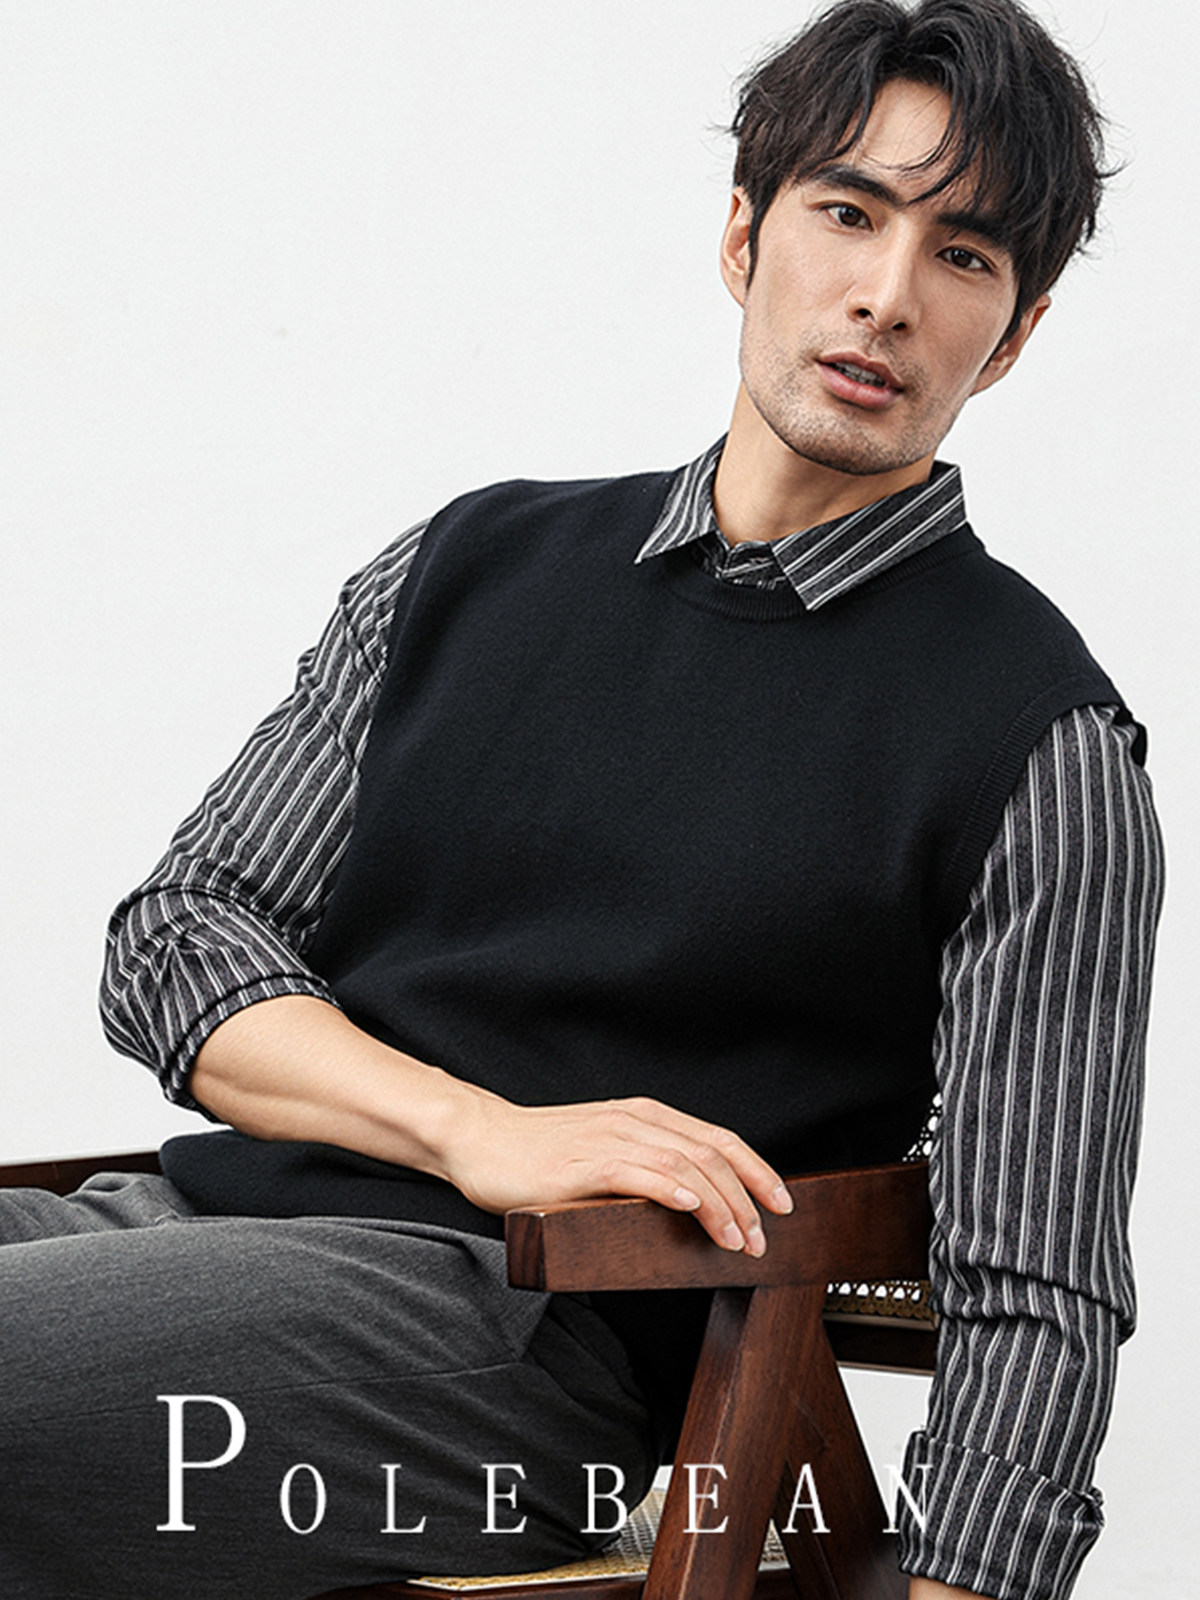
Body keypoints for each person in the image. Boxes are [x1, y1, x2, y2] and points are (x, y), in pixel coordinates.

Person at [0, 1, 1163, 1597]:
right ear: (745, 237)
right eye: (849, 212)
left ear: (1012, 336)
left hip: (514, 1337)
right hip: (180, 1231)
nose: (888, 296)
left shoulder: (1039, 742)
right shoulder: (469, 568)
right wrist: (479, 1130)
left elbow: (1035, 1276)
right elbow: (177, 941)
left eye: (964, 256)